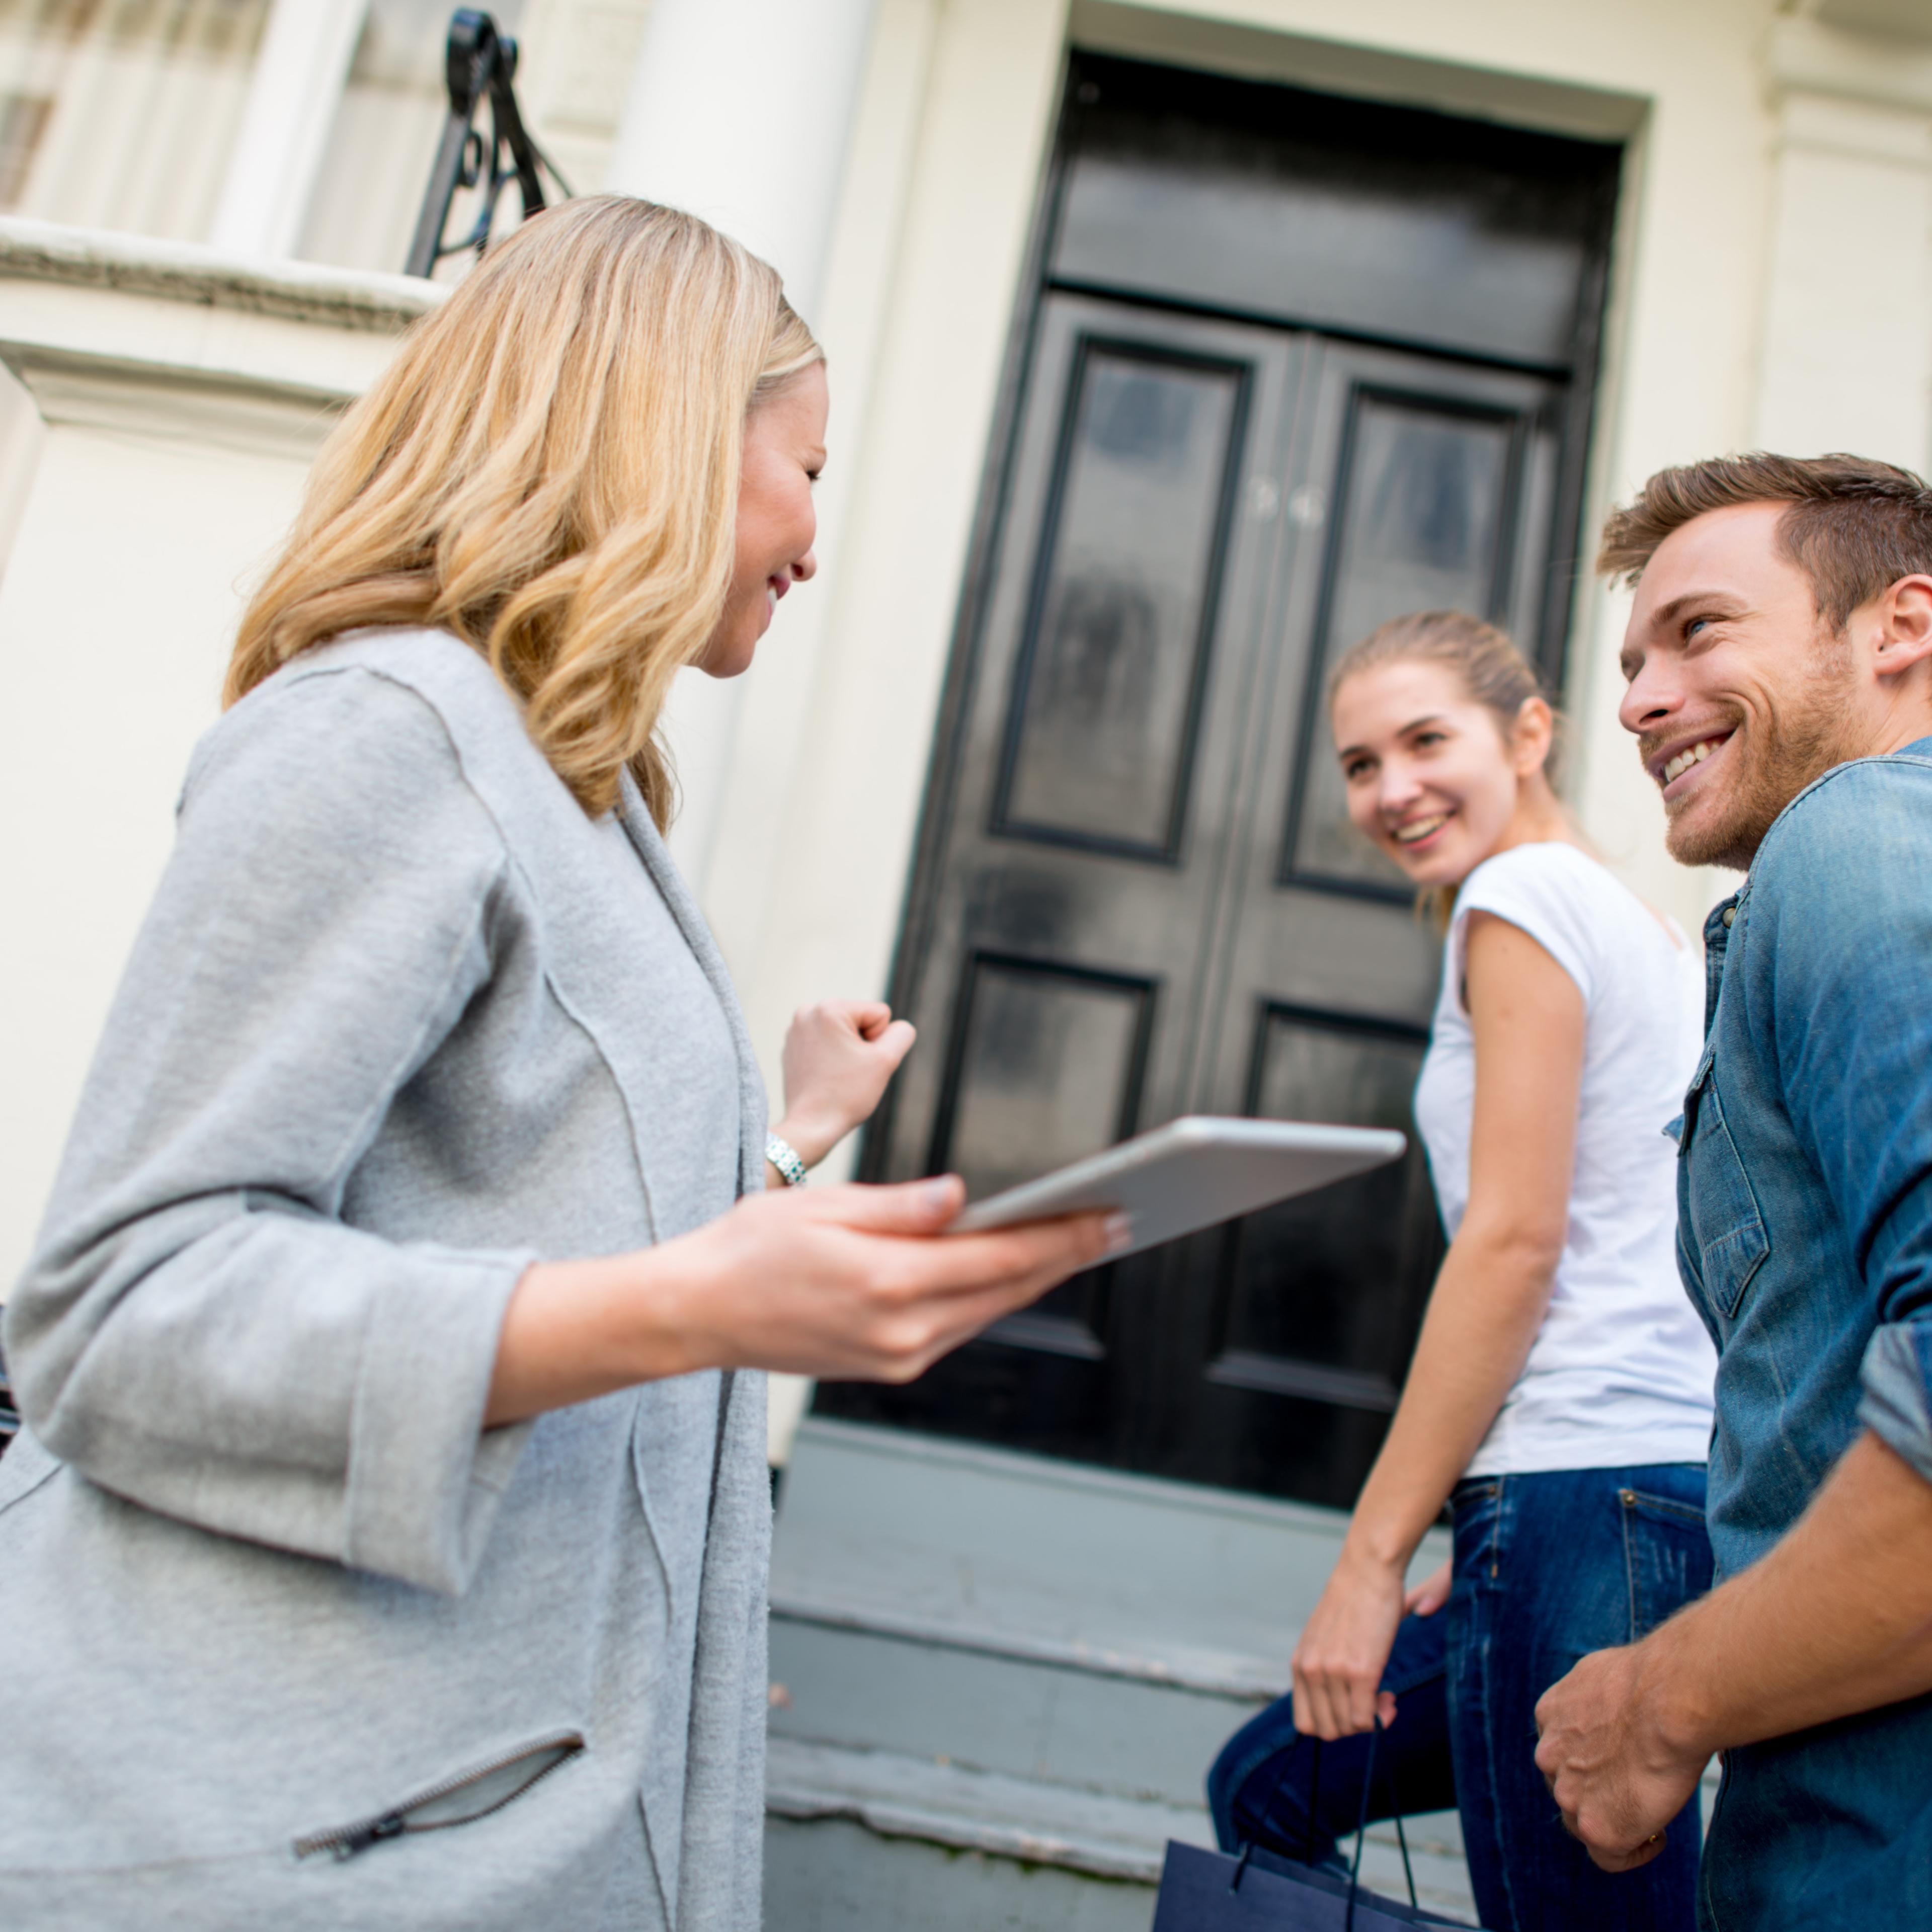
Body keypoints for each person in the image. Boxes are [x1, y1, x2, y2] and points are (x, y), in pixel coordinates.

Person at [0, 197, 1115, 1929]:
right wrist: (692, 1304)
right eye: (808, 468)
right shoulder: (384, 732)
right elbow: (118, 1308)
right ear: (665, 430)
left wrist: (782, 1151)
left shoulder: (578, 789)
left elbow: (516, 1222)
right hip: (306, 1841)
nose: (817, 540)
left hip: (481, 1807)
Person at [1207, 611, 1717, 1931]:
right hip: (1630, 1490)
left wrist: (1371, 1559)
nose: (1392, 790)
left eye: (1426, 741)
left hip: (1576, 1485)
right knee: (1268, 1789)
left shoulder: (1518, 900)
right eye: (1360, 764)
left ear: (1529, 732)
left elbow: (1515, 1241)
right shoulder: (1646, 926)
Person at [1534, 454, 1932, 1927]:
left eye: (1700, 631)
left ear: (1899, 626)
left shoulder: (1858, 842)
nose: (1642, 701)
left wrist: (1663, 1700)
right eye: (1632, 664)